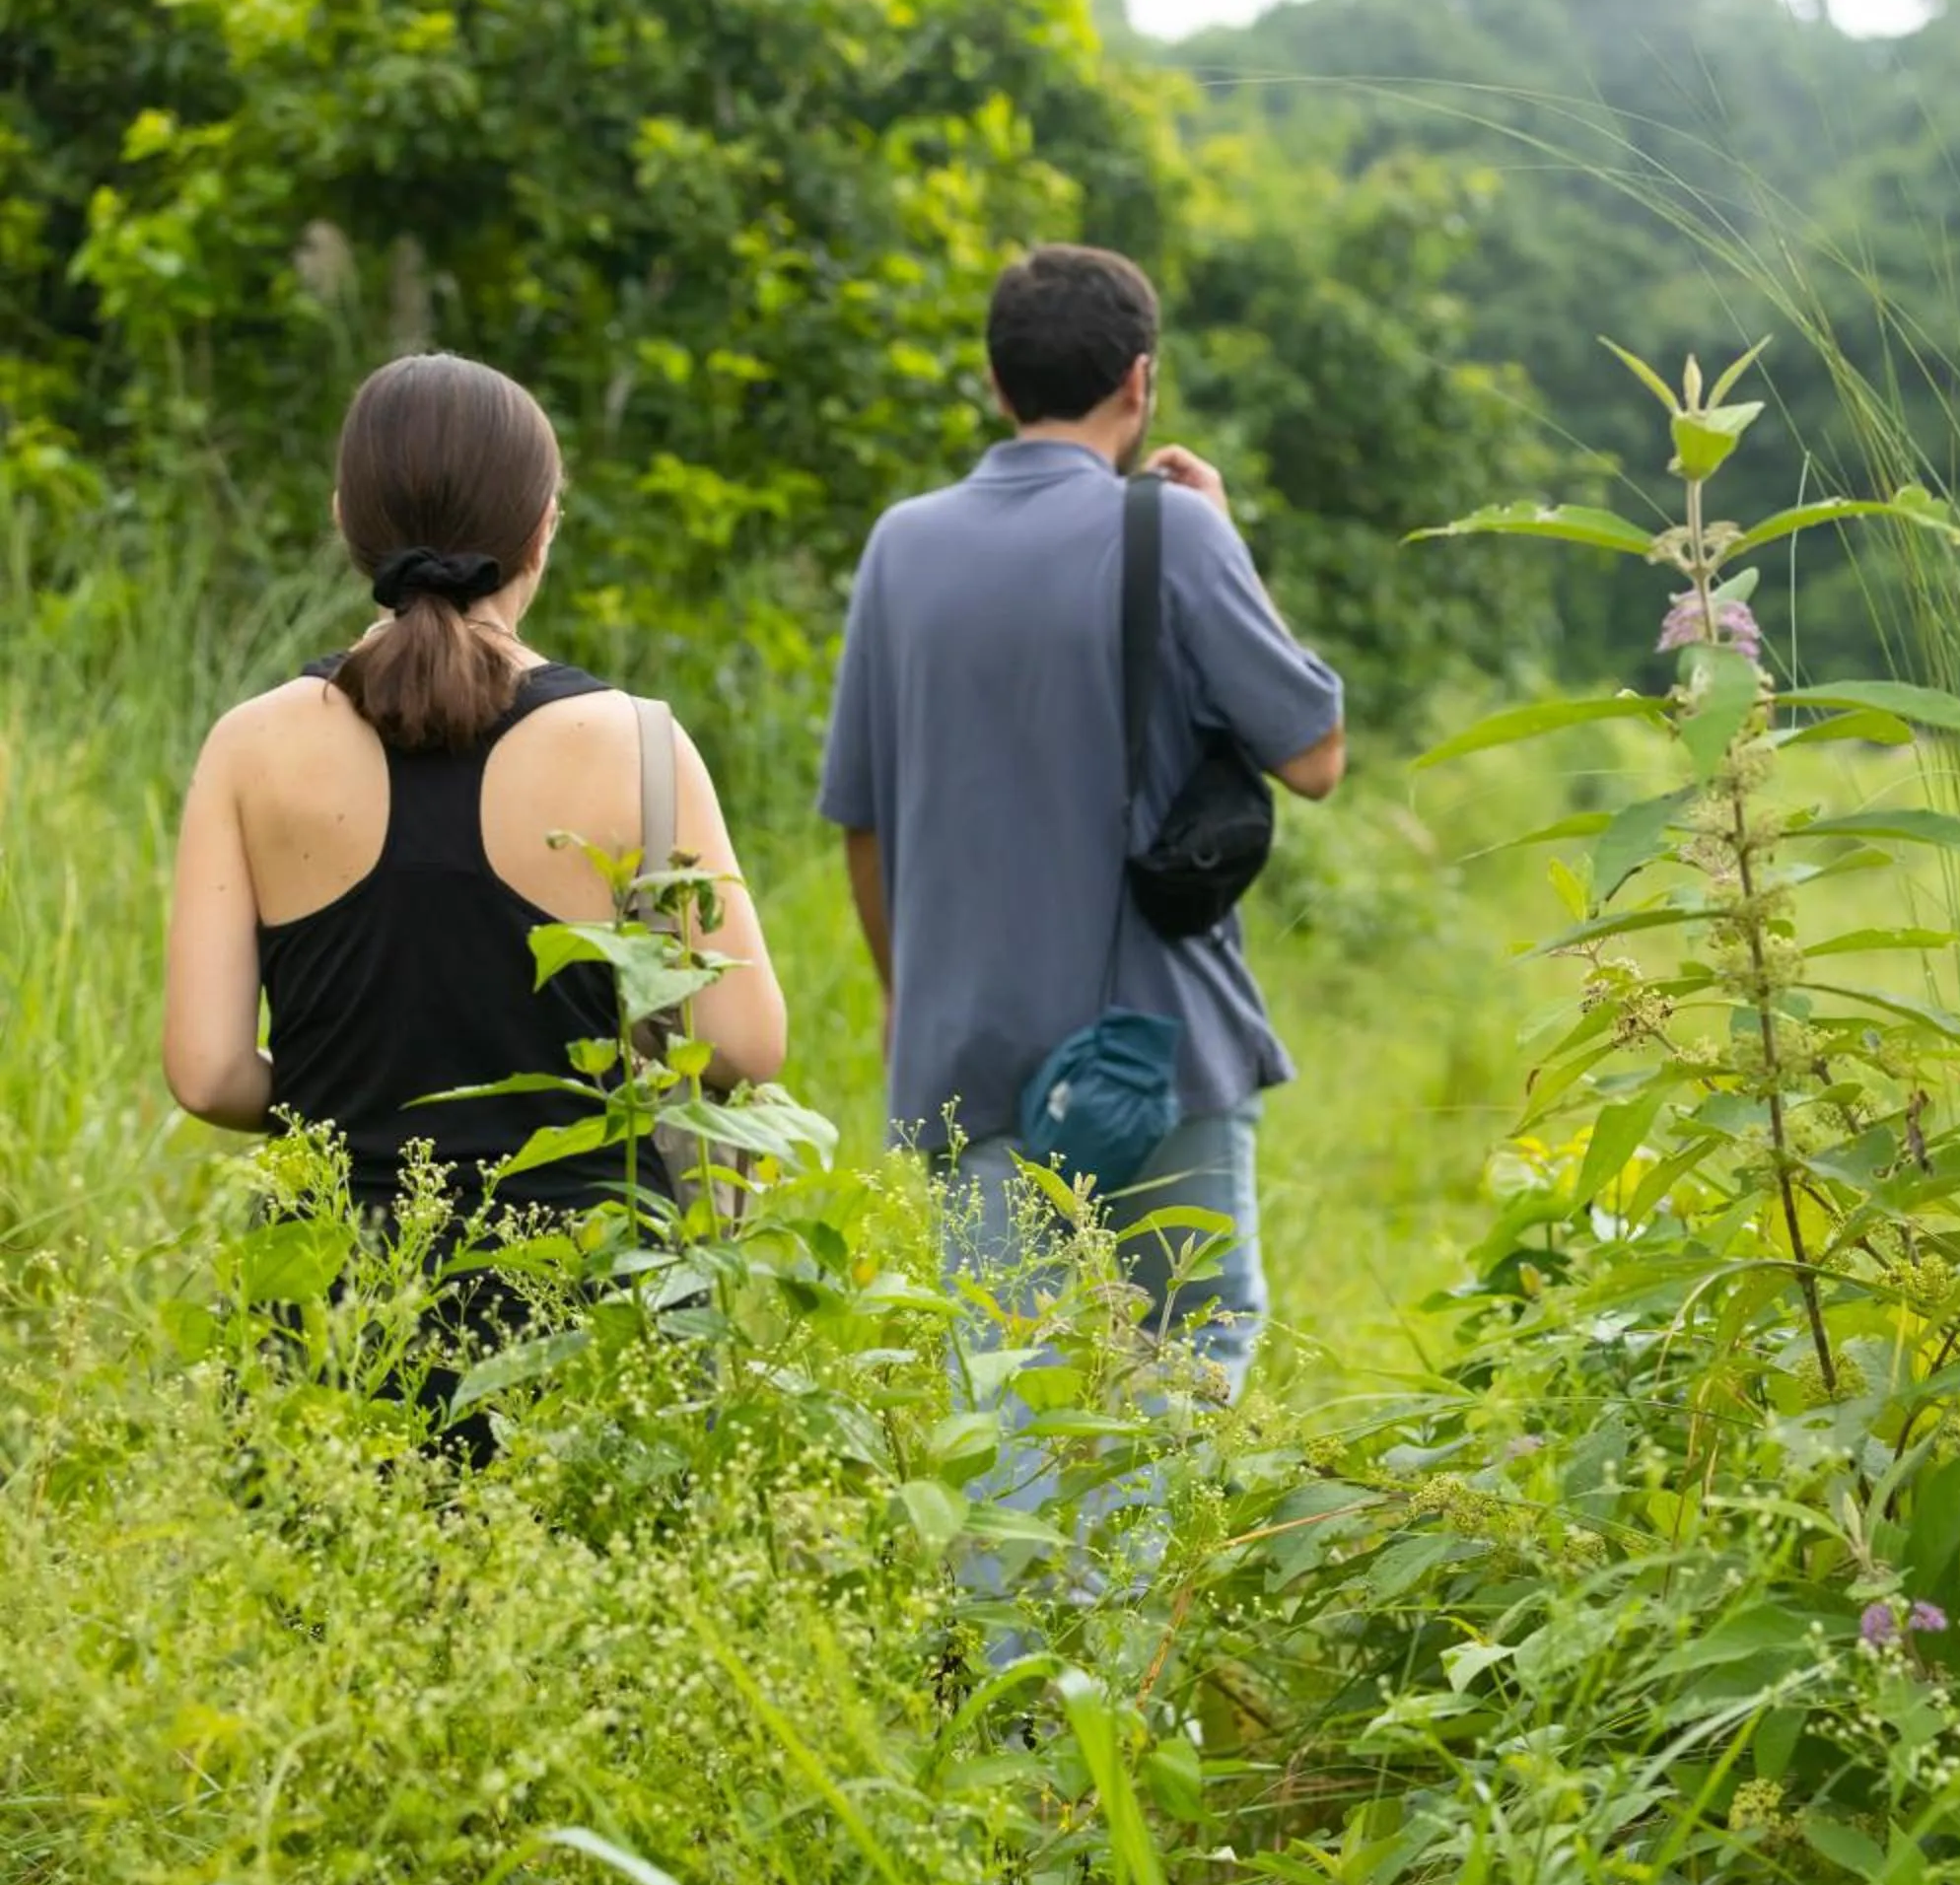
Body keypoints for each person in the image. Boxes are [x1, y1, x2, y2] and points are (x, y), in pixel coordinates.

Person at [164, 352, 787, 1435]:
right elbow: (743, 1046)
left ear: (345, 518)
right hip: (589, 1318)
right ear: (543, 527)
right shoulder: (637, 745)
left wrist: (362, 1105)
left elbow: (209, 1069)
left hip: (333, 1313)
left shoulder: (250, 746)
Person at [821, 243, 1345, 1405]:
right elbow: (1314, 757)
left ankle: (1016, 1594)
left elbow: (861, 823)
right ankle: (1137, 1592)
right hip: (1156, 1044)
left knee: (1007, 1390)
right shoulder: (1176, 533)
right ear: (1139, 382)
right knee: (1180, 1360)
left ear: (999, 386)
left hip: (969, 1053)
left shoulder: (900, 547)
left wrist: (911, 1000)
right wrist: (1228, 544)